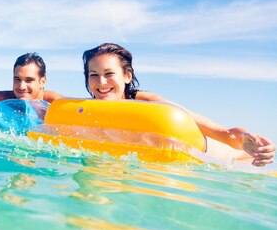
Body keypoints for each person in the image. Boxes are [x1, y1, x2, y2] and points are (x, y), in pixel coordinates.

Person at [82, 43, 275, 167]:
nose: (101, 82)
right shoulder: (88, 111)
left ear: (127, 76)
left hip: (223, 154)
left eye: (109, 74)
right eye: (94, 75)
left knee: (239, 156)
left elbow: (223, 132)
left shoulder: (150, 103)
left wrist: (246, 141)